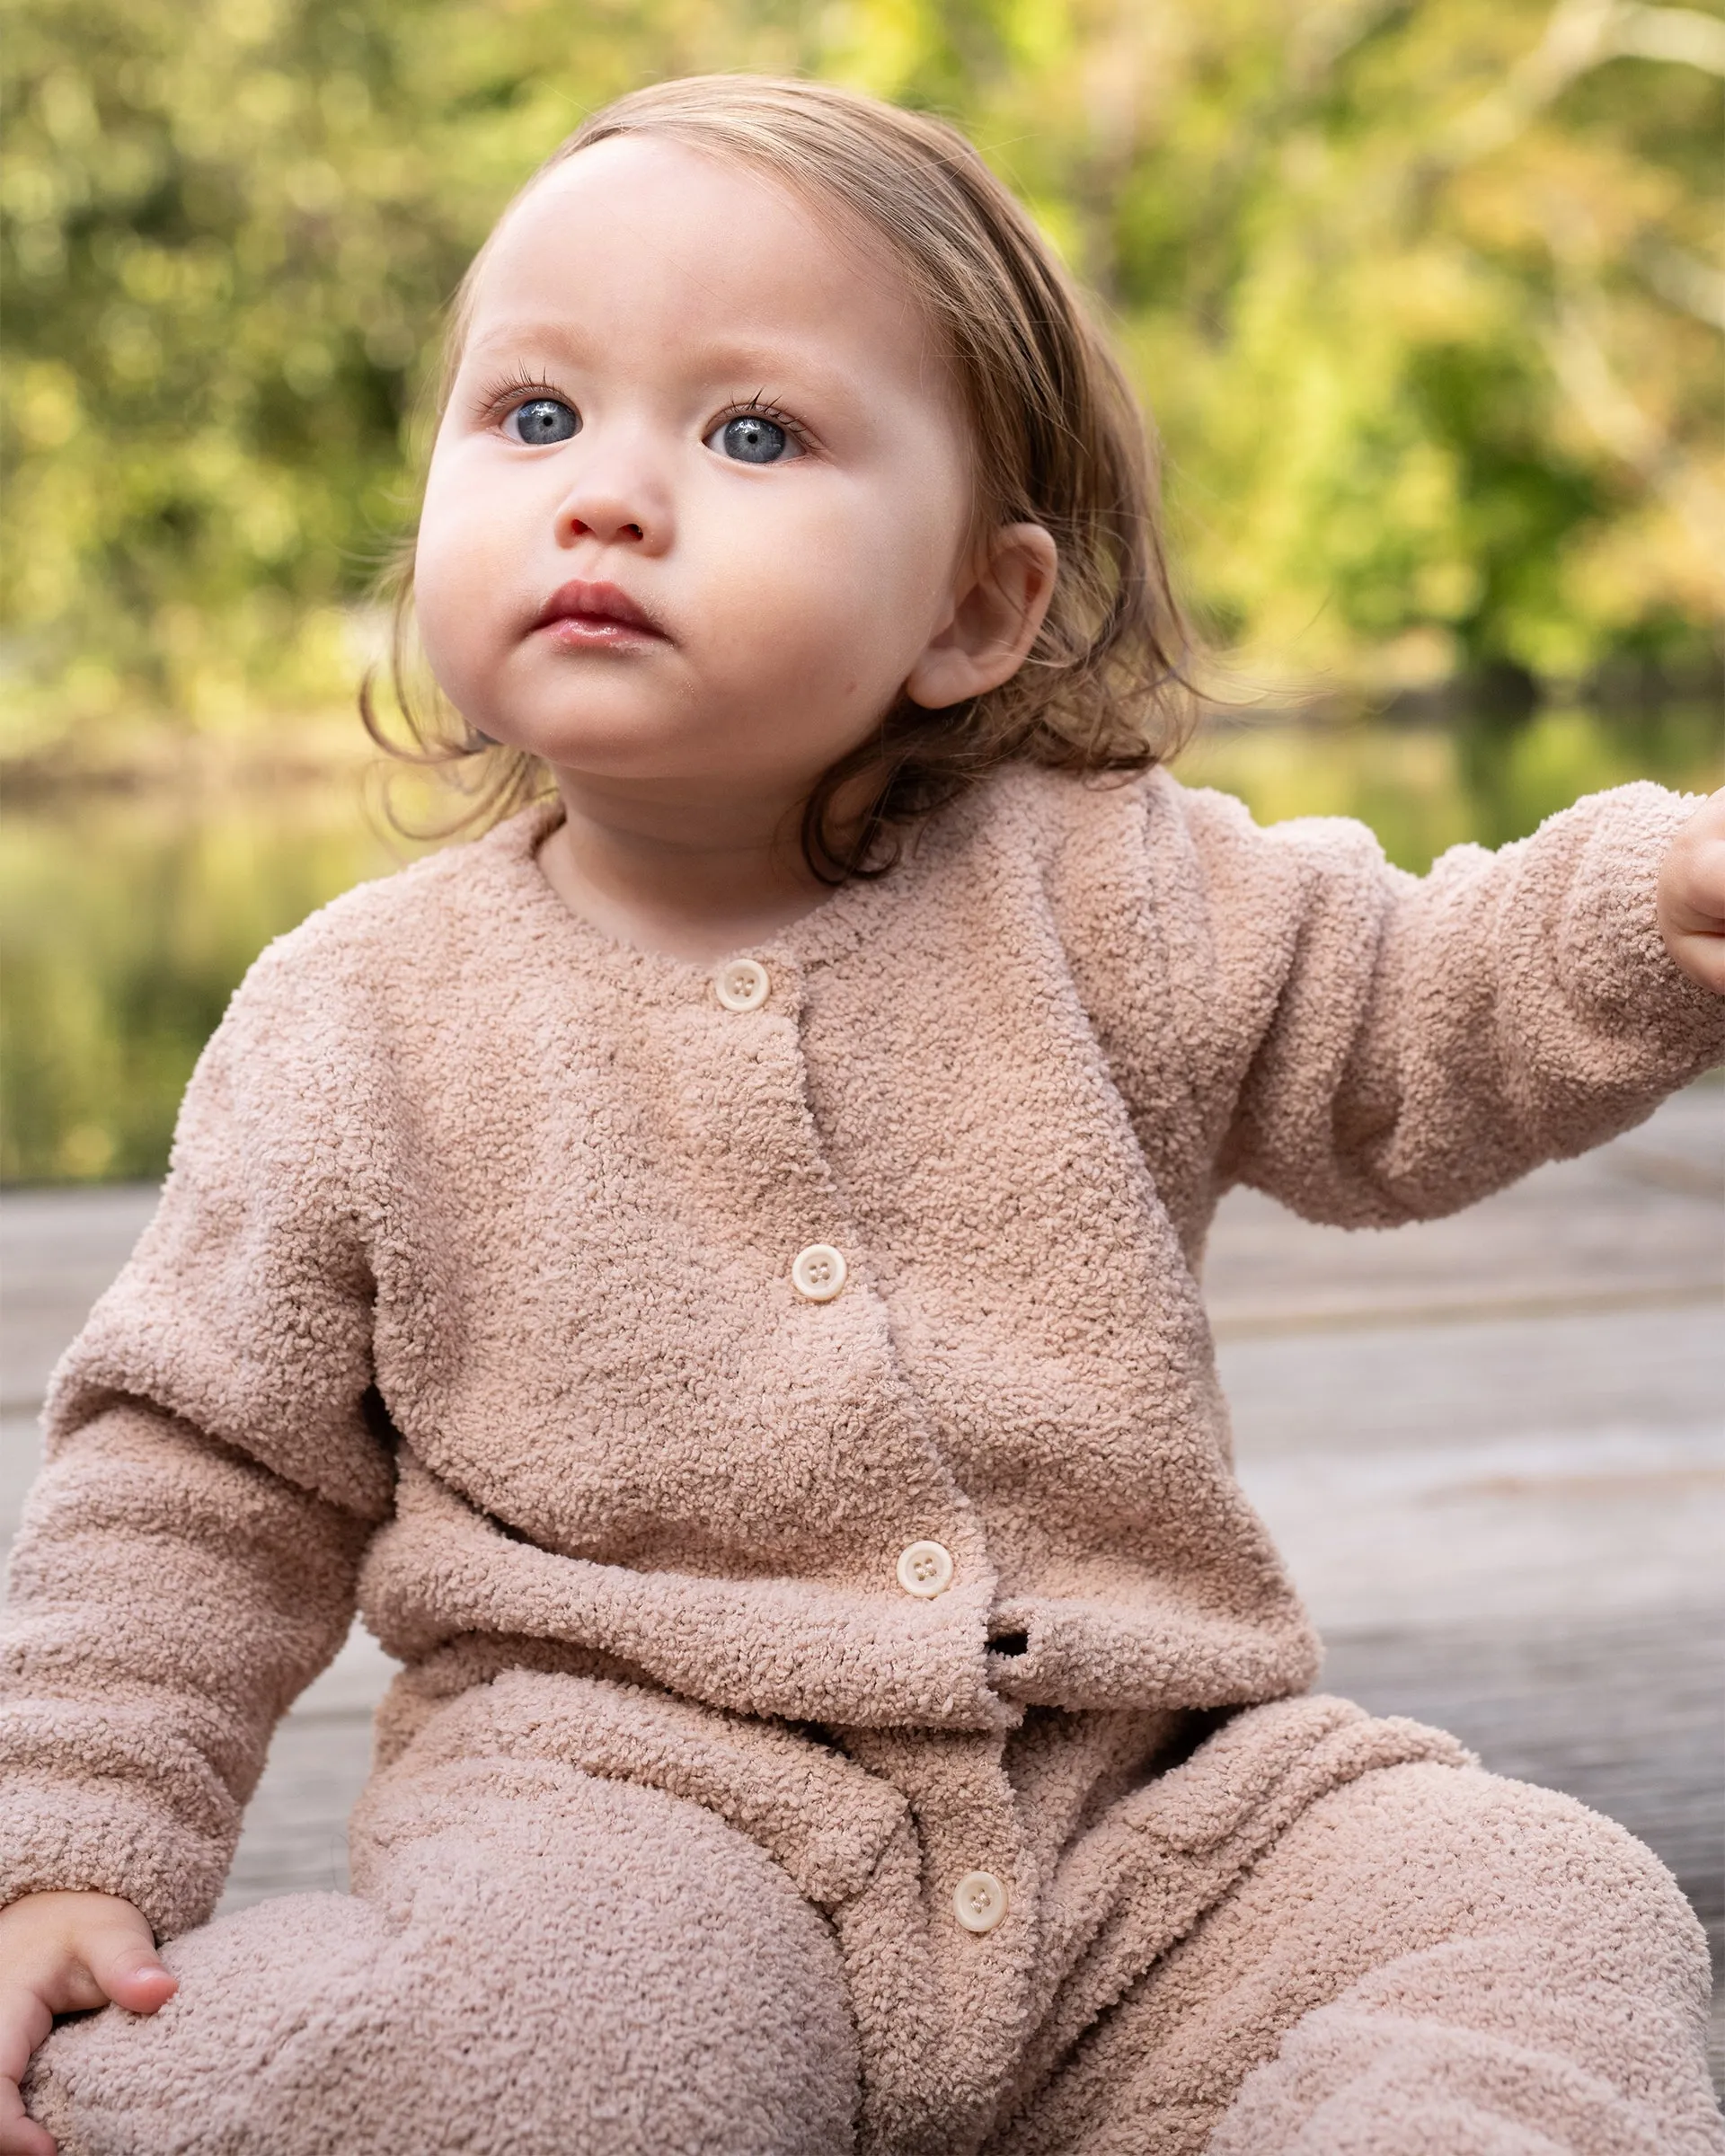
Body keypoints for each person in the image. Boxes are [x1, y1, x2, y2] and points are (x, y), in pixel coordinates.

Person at [1, 74, 1721, 2156]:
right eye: (534, 415)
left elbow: (1409, 1013)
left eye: (753, 434)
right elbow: (196, 1481)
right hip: (638, 1830)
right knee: (536, 2049)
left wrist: (1660, 905)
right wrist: (70, 1845)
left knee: (1537, 1903)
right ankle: (137, 2099)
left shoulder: (1115, 892)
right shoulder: (357, 1016)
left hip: (1140, 1826)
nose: (608, 496)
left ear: (973, 612)